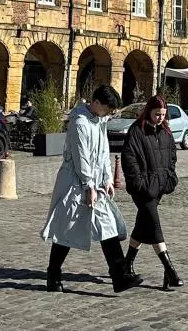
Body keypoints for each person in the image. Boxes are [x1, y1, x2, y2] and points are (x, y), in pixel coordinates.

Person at [40, 85, 143, 294]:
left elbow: (104, 150)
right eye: (107, 109)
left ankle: (119, 276)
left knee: (107, 227)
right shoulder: (80, 123)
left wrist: (106, 179)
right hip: (76, 182)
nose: (108, 114)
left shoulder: (99, 121)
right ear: (96, 103)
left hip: (96, 182)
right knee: (67, 228)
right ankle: (53, 275)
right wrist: (89, 185)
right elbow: (81, 157)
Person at [120, 95, 183, 290]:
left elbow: (172, 156)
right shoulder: (136, 130)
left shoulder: (165, 130)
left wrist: (169, 177)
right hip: (143, 189)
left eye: (163, 115)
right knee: (155, 226)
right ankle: (169, 270)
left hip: (160, 187)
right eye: (157, 114)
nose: (160, 118)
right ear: (149, 111)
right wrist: (139, 182)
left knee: (142, 225)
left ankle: (126, 263)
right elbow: (129, 158)